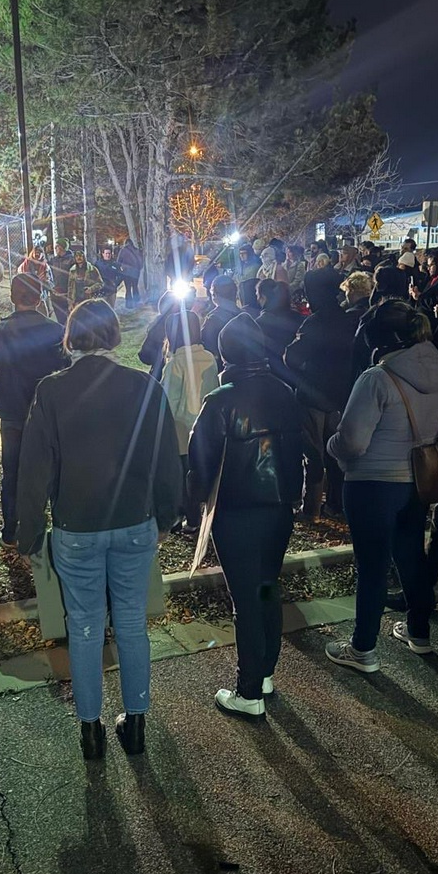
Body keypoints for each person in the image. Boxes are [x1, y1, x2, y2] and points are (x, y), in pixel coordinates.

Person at [17, 300, 183, 759]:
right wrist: (167, 516)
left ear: (71, 339)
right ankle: (137, 725)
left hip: (77, 525)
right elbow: (165, 459)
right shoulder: (143, 385)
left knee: (85, 627)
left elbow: (35, 469)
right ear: (113, 337)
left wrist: (28, 532)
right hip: (135, 521)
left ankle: (90, 732)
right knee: (132, 623)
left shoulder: (51, 391)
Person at [324, 301, 438, 672]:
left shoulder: (377, 378)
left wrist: (332, 446)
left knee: (373, 566)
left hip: (373, 484)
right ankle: (418, 633)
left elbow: (352, 442)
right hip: (417, 479)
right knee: (411, 554)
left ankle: (363, 649)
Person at [188, 315, 304, 717]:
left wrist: (194, 506)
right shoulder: (285, 392)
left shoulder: (220, 400)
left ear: (226, 354)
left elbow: (200, 464)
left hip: (235, 510)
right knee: (268, 588)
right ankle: (265, 672)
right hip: (279, 508)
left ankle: (249, 691)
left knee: (246, 599)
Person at [0, 274, 69, 546]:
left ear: (13, 298)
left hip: (13, 415)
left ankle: (12, 531)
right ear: (40, 297)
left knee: (12, 474)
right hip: (49, 415)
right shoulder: (56, 331)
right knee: (55, 469)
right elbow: (69, 370)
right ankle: (59, 526)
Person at [284, 268, 358, 519]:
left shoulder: (314, 323)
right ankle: (336, 504)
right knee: (337, 453)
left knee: (313, 455)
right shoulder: (349, 320)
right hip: (341, 397)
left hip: (313, 396)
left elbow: (291, 357)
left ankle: (311, 508)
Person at [160, 309, 219, 532]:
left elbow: (168, 400)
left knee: (184, 472)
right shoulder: (210, 358)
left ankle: (188, 516)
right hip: (206, 424)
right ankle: (200, 516)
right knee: (201, 468)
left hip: (181, 427)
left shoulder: (175, 362)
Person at [256, 277, 303, 387]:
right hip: (298, 378)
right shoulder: (299, 318)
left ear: (264, 298)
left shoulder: (259, 323)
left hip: (273, 381)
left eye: (258, 296)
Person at [202, 277, 242, 367]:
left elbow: (207, 349)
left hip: (223, 372)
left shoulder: (212, 320)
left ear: (214, 295)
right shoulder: (245, 316)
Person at [117, 238, 144, 303]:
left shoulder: (123, 250)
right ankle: (136, 301)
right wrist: (138, 269)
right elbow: (141, 261)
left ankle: (129, 304)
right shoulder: (137, 250)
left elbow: (118, 261)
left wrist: (121, 269)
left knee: (128, 288)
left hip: (126, 272)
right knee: (135, 287)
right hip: (136, 272)